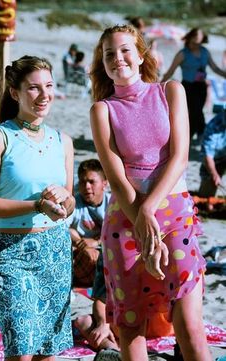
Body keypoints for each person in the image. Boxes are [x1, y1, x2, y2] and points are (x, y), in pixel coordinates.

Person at [89, 24, 211, 361]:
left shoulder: (170, 91)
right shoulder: (103, 110)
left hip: (174, 215)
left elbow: (180, 156)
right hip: (125, 220)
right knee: (129, 327)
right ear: (103, 61)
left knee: (188, 324)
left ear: (141, 55)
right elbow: (116, 179)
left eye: (125, 50)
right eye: (109, 54)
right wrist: (141, 221)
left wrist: (150, 210)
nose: (118, 59)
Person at [0, 55, 76, 360]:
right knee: (21, 351)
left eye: (49, 86)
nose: (44, 95)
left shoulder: (62, 141)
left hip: (55, 250)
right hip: (11, 253)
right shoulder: (0, 137)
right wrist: (38, 205)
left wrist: (63, 199)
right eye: (34, 88)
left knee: (48, 351)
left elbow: (71, 200)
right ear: (15, 92)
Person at [162, 28, 226, 139]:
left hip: (201, 87)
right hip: (188, 87)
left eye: (199, 39)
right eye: (195, 39)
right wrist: (160, 84)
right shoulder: (182, 54)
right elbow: (171, 71)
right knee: (193, 111)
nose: (196, 42)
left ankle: (194, 135)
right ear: (190, 38)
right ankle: (196, 135)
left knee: (198, 110)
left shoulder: (205, 52)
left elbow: (215, 68)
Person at [68, 159, 110, 287]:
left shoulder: (112, 203)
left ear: (104, 184)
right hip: (81, 252)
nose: (86, 186)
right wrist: (83, 246)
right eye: (82, 181)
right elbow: (65, 228)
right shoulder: (74, 203)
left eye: (92, 182)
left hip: (104, 250)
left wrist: (96, 243)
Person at [198, 109, 226, 198]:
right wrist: (214, 174)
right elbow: (208, 156)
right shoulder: (213, 126)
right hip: (216, 159)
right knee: (205, 195)